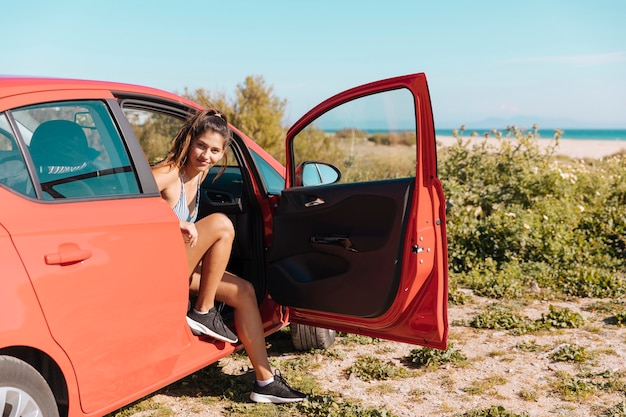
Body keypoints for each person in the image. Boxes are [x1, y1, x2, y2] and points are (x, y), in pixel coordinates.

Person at [152, 109, 306, 403]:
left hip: (178, 265)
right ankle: (203, 311)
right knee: (222, 224)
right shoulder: (169, 172)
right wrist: (175, 222)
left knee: (244, 291)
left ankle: (265, 382)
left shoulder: (201, 173)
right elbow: (127, 198)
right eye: (201, 145)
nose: (205, 155)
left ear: (222, 154)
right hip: (159, 268)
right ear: (189, 140)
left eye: (214, 150)